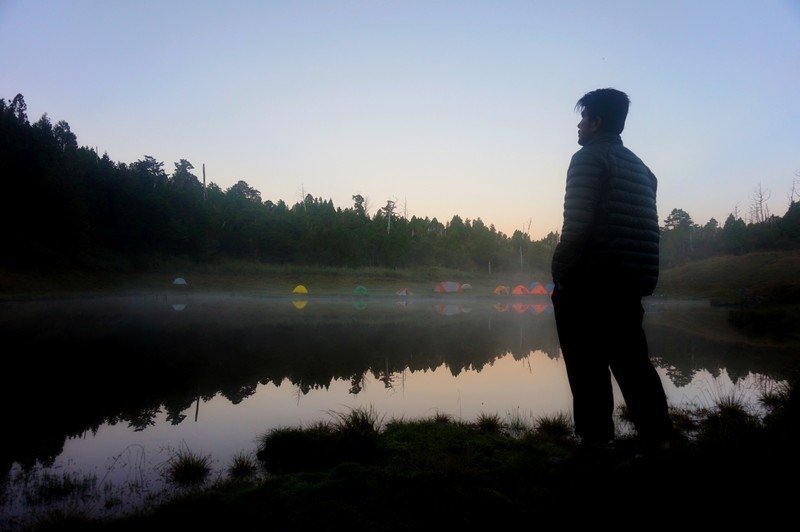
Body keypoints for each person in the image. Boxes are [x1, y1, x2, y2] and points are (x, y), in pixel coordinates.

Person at [551, 88, 674, 451]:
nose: (578, 124)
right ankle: (660, 440)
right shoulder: (642, 169)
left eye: (583, 118)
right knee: (634, 364)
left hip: (589, 281)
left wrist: (560, 270)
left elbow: (577, 223)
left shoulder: (587, 158)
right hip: (628, 283)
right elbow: (644, 229)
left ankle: (595, 445)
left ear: (596, 122)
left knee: (586, 366)